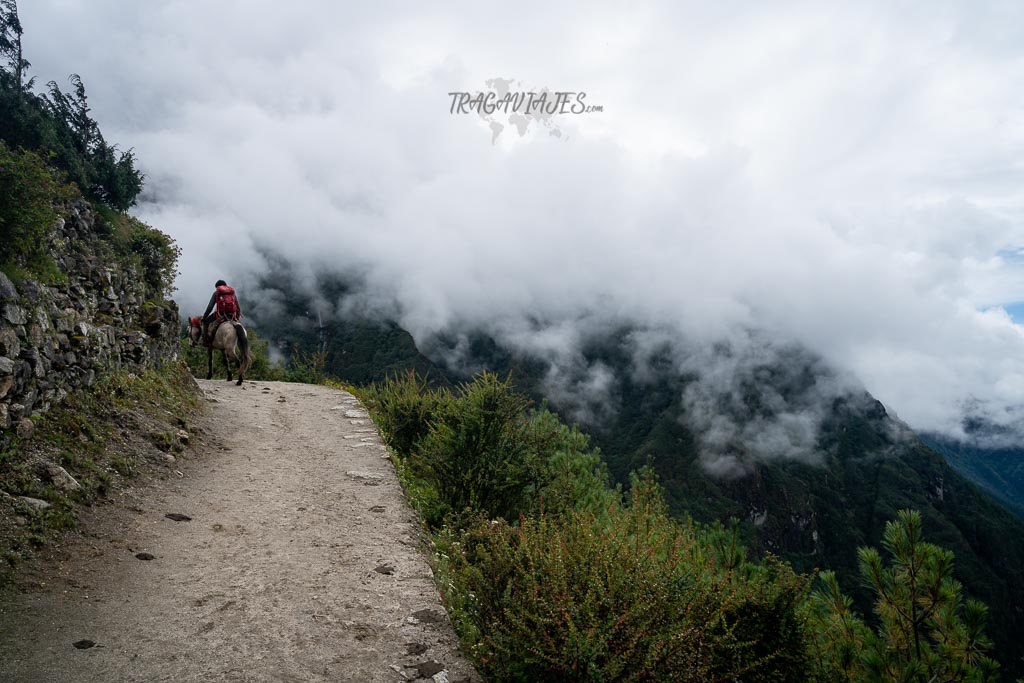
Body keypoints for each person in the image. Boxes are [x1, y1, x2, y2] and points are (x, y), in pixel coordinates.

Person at [201, 279, 242, 345]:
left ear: (217, 287)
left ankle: (206, 341)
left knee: (205, 323)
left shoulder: (216, 293)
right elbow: (237, 307)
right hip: (232, 315)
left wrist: (204, 317)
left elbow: (210, 307)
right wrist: (237, 318)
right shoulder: (232, 293)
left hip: (220, 314)